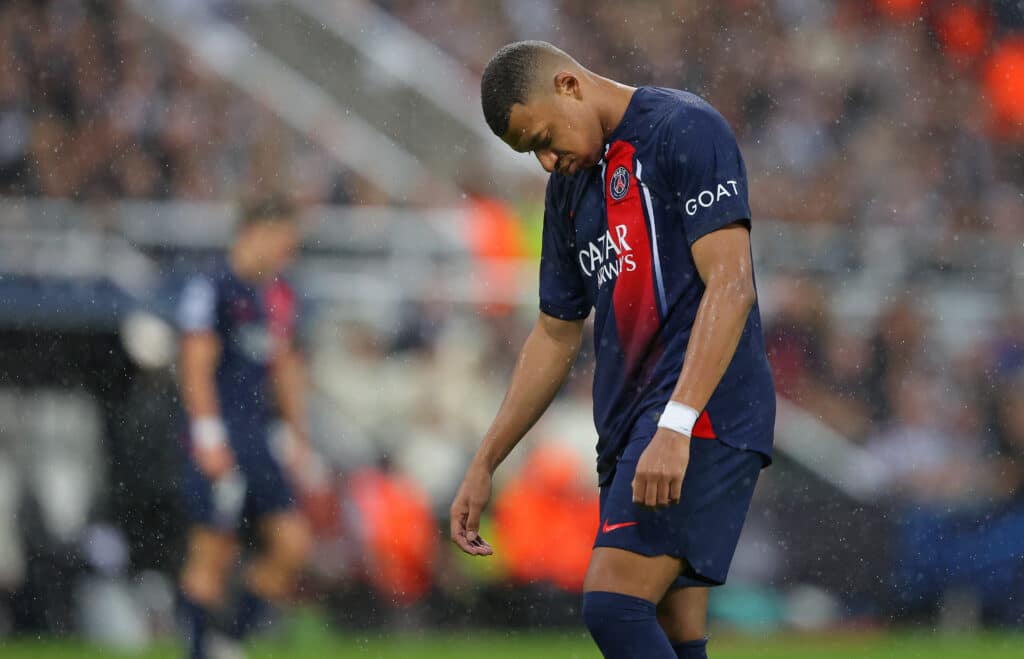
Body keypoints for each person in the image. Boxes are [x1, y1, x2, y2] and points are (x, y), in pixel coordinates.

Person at [449, 41, 775, 659]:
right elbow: (553, 333)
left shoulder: (684, 129)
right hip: (630, 428)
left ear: (569, 85)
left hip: (697, 413)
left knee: (614, 605)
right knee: (679, 636)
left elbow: (731, 285)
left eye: (544, 137)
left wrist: (676, 424)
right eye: (532, 153)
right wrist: (485, 461)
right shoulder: (570, 191)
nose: (548, 161)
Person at [176, 194, 313, 659]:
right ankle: (200, 650)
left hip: (258, 438)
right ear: (258, 232)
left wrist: (297, 434)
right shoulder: (212, 286)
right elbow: (195, 365)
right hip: (222, 438)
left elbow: (284, 368)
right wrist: (209, 435)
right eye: (284, 243)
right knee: (212, 555)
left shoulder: (273, 295)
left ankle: (227, 641)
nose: (286, 255)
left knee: (292, 544)